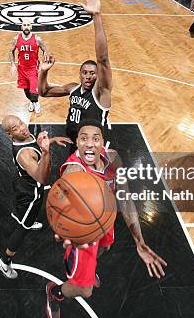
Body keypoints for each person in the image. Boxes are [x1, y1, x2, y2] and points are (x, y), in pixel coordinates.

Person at [45, 120, 167, 317]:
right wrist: (66, 231)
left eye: (95, 138)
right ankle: (54, 293)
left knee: (106, 246)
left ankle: (90, 269)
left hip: (105, 220)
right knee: (85, 290)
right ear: (77, 142)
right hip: (84, 235)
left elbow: (125, 200)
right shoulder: (74, 172)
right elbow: (57, 207)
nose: (90, 144)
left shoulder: (113, 159)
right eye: (83, 139)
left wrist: (139, 242)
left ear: (103, 142)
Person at [0, 115, 70, 279]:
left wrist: (52, 139)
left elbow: (33, 142)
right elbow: (42, 178)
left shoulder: (26, 136)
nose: (22, 127)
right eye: (15, 128)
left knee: (25, 213)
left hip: (22, 182)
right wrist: (45, 152)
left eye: (20, 122)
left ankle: (22, 215)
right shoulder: (25, 155)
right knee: (24, 228)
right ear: (10, 134)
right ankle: (4, 261)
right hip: (30, 193)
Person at [38, 0, 112, 146]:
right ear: (80, 74)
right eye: (84, 72)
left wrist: (96, 16)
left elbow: (103, 58)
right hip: (75, 144)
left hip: (94, 148)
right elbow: (43, 92)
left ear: (98, 75)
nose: (88, 75)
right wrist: (43, 72)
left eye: (92, 73)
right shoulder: (73, 88)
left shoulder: (101, 93)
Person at [9, 22, 48, 114]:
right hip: (21, 68)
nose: (26, 27)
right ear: (21, 27)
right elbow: (11, 51)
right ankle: (32, 101)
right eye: (24, 25)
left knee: (33, 89)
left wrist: (43, 61)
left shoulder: (37, 39)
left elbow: (45, 50)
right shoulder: (16, 39)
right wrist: (13, 65)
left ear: (31, 27)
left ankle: (36, 102)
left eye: (28, 25)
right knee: (26, 90)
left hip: (33, 68)